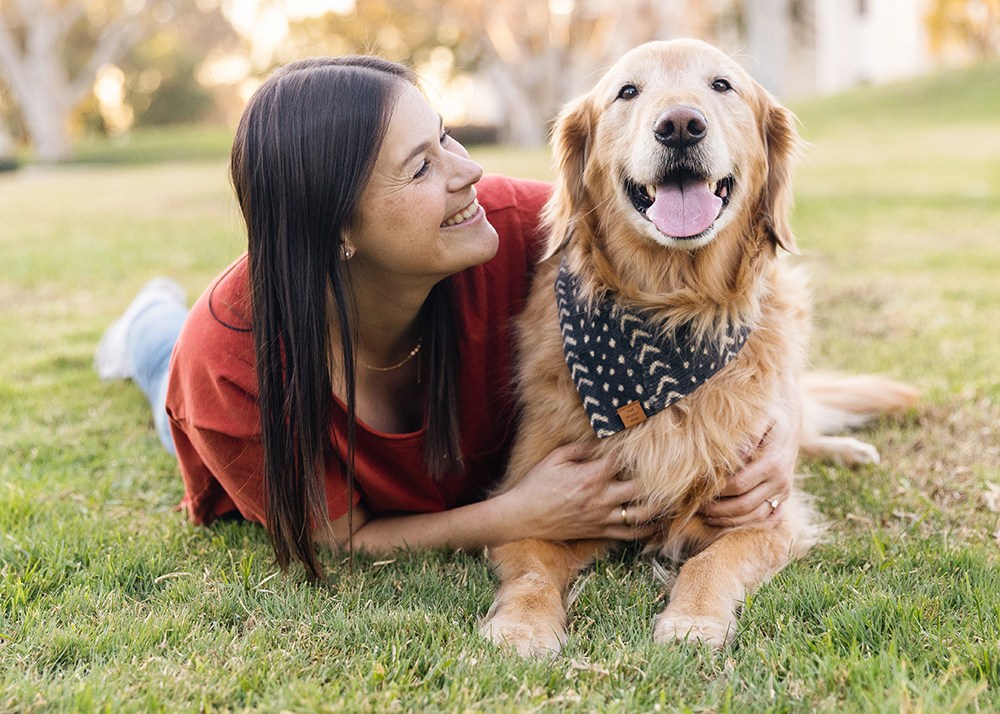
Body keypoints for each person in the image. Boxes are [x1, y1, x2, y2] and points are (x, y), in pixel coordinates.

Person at [95, 56, 796, 581]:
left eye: (447, 136)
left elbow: (756, 285)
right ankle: (145, 323)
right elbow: (344, 538)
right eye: (421, 167)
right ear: (340, 228)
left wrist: (783, 434)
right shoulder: (231, 372)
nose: (468, 172)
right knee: (162, 366)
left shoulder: (515, 224)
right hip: (194, 385)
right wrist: (518, 514)